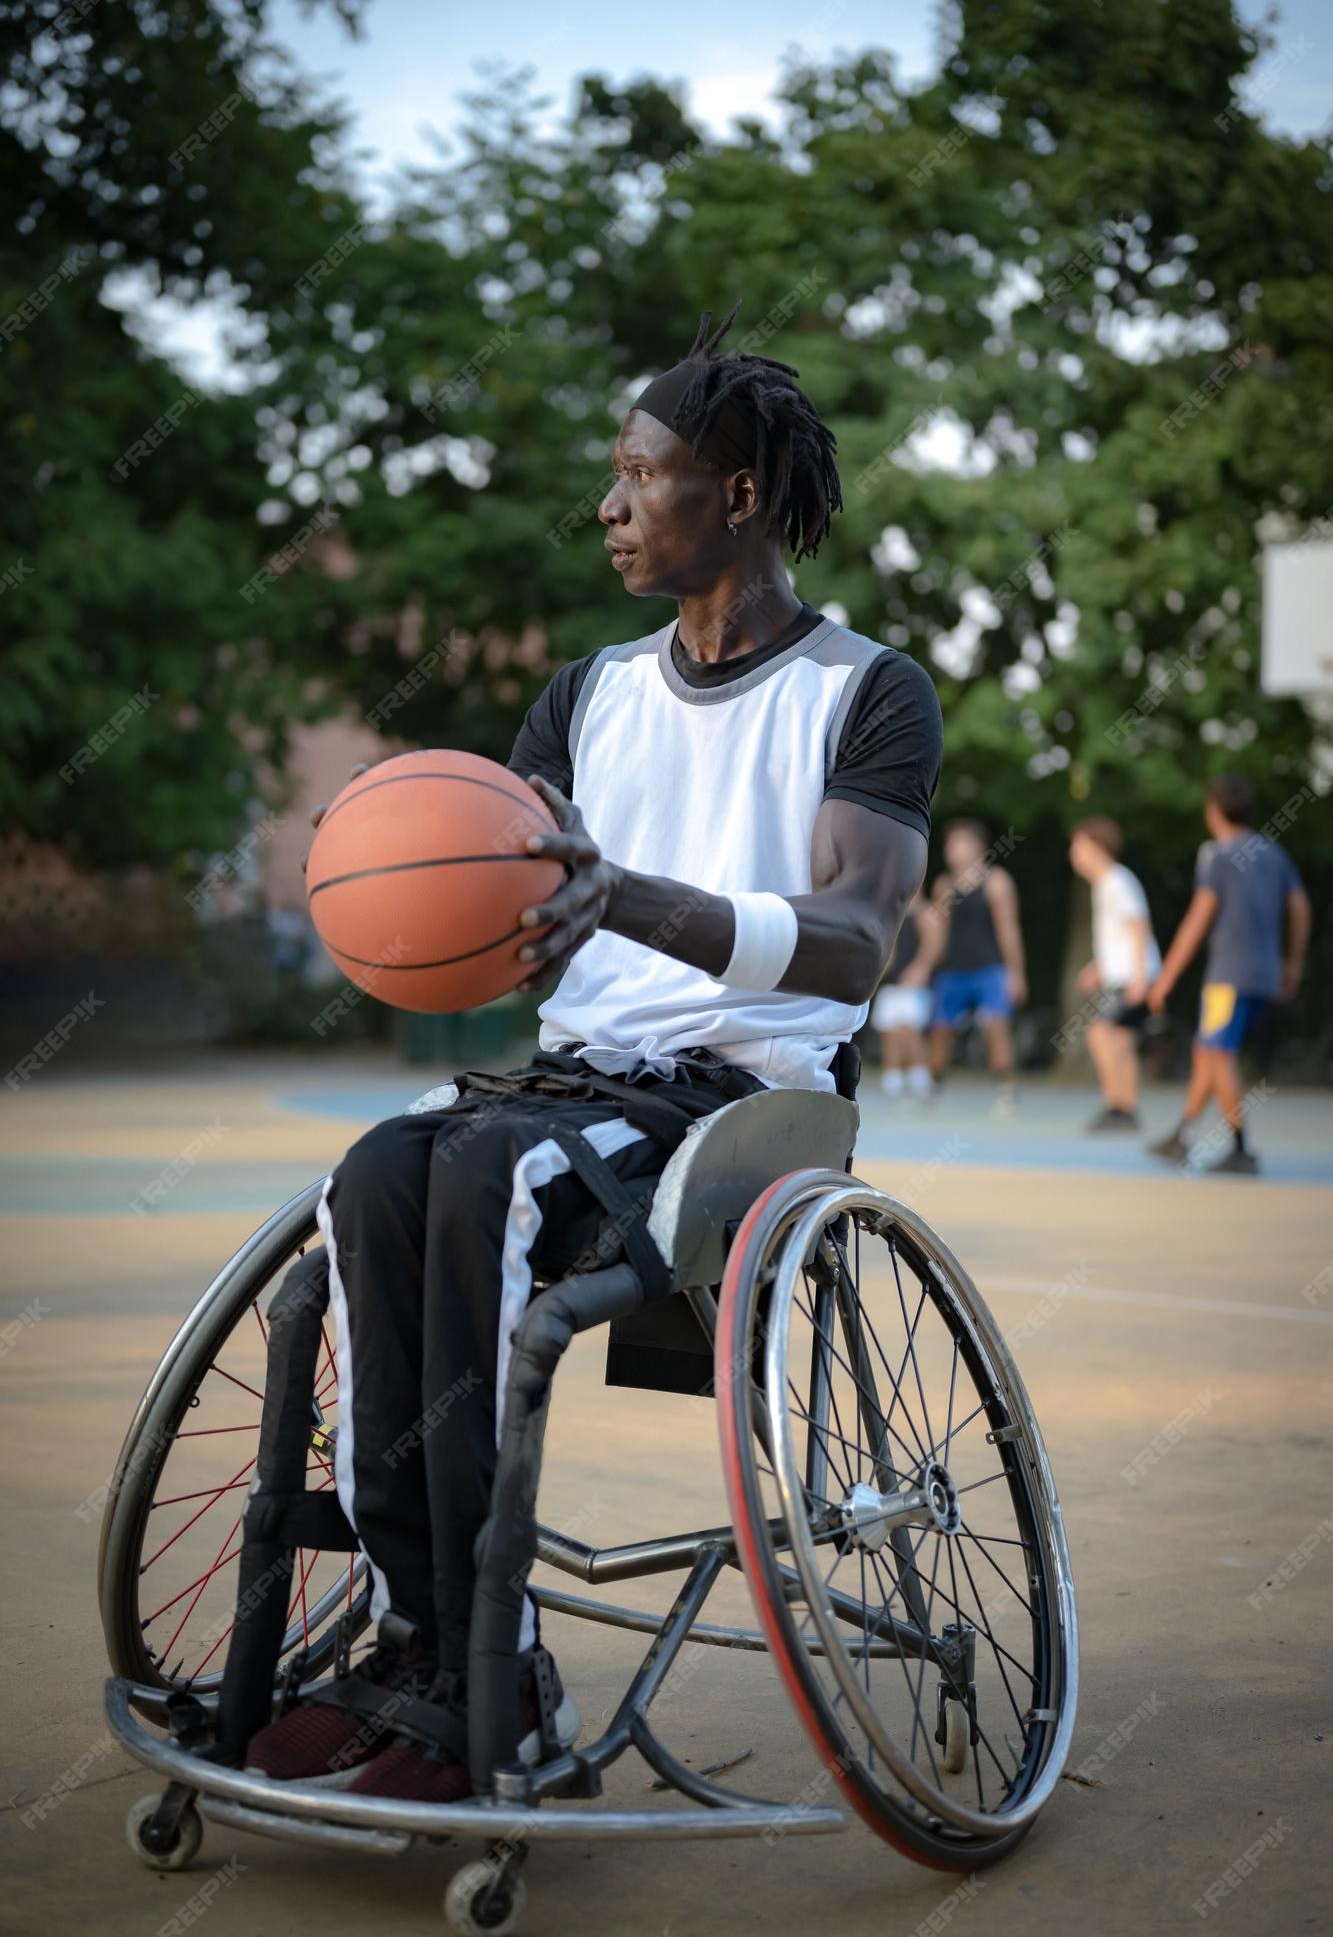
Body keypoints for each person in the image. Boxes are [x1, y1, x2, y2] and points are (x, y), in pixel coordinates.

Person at [245, 305, 943, 1800]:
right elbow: (491, 886)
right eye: (611, 476)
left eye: (641, 474)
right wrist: (394, 866)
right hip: (572, 1075)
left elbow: (850, 940)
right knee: (374, 1175)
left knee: (491, 1183)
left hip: (740, 1096)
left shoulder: (867, 692)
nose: (610, 506)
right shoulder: (588, 692)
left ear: (738, 496)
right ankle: (414, 1632)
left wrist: (630, 899)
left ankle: (488, 1681)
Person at [1147, 773, 1310, 1174]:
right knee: (1206, 1050)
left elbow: (1197, 920)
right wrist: (1293, 961)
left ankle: (1241, 1148)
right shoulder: (1273, 853)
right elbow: (1300, 907)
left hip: (1227, 978)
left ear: (1213, 810)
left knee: (1218, 1054)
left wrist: (1166, 976)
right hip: (1265, 974)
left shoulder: (1219, 857)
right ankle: (1183, 1134)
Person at [916, 820, 1026, 1110]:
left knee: (996, 1026)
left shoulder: (997, 882)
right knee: (940, 1029)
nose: (952, 850)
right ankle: (933, 1088)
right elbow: (937, 937)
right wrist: (923, 966)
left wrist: (1016, 973)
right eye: (950, 844)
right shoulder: (943, 884)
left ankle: (1005, 1091)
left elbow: (1008, 930)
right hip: (953, 971)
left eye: (959, 843)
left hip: (989, 969)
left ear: (977, 848)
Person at [1068, 818, 1160, 1130]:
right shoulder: (1107, 884)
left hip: (1130, 978)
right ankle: (1125, 1108)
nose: (1074, 854)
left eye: (1079, 846)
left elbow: (1138, 926)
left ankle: (1118, 1106)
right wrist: (1098, 967)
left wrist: (1139, 976)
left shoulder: (1116, 881)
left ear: (1098, 847)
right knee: (1120, 1040)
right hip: (1123, 975)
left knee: (1100, 1034)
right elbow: (1119, 935)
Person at [871, 897, 934, 1098]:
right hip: (891, 984)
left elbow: (933, 944)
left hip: (913, 985)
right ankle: (893, 1081)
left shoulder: (925, 912)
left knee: (909, 1030)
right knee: (890, 1032)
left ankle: (921, 1080)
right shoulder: (891, 912)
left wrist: (922, 968)